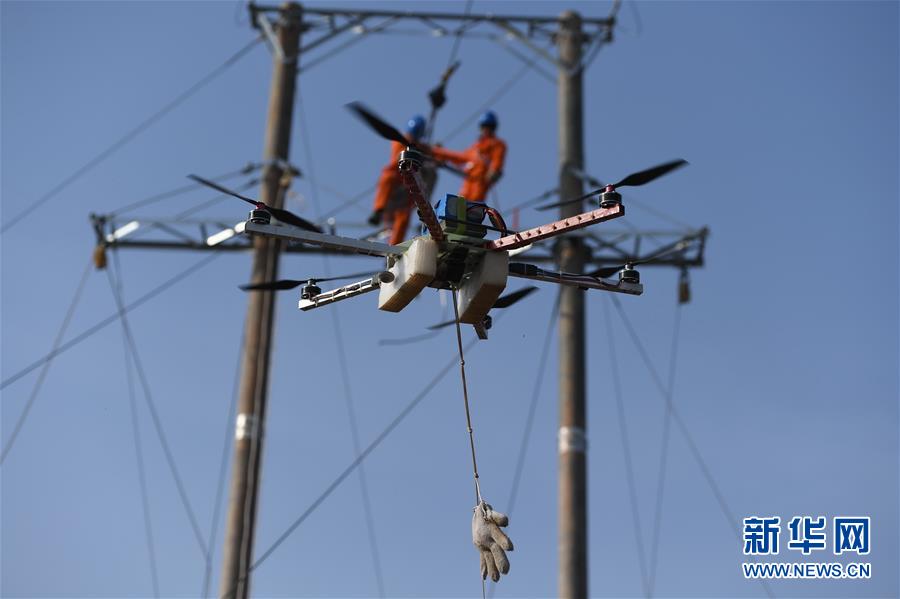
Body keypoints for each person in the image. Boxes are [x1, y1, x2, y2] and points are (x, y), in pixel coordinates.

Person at [367, 115, 431, 245]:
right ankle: (378, 211)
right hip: (393, 186)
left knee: (404, 216)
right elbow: (397, 158)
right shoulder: (398, 142)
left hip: (406, 191)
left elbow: (440, 154)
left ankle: (393, 249)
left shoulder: (422, 148)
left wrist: (434, 154)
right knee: (387, 175)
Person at [430, 110, 507, 202]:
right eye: (484, 126)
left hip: (479, 184)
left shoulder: (497, 144)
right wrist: (438, 152)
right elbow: (458, 157)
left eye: (489, 126)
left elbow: (497, 161)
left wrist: (494, 171)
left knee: (473, 207)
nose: (486, 129)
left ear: (493, 128)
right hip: (466, 188)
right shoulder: (475, 148)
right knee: (459, 207)